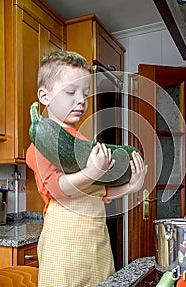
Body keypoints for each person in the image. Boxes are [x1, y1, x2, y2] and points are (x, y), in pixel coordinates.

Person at [26, 50, 147, 287]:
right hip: (64, 248)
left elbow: (98, 192)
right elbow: (58, 188)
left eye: (85, 93)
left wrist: (131, 186)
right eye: (70, 92)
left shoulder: (81, 142)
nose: (80, 100)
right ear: (44, 95)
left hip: (96, 245)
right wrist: (92, 171)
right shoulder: (42, 143)